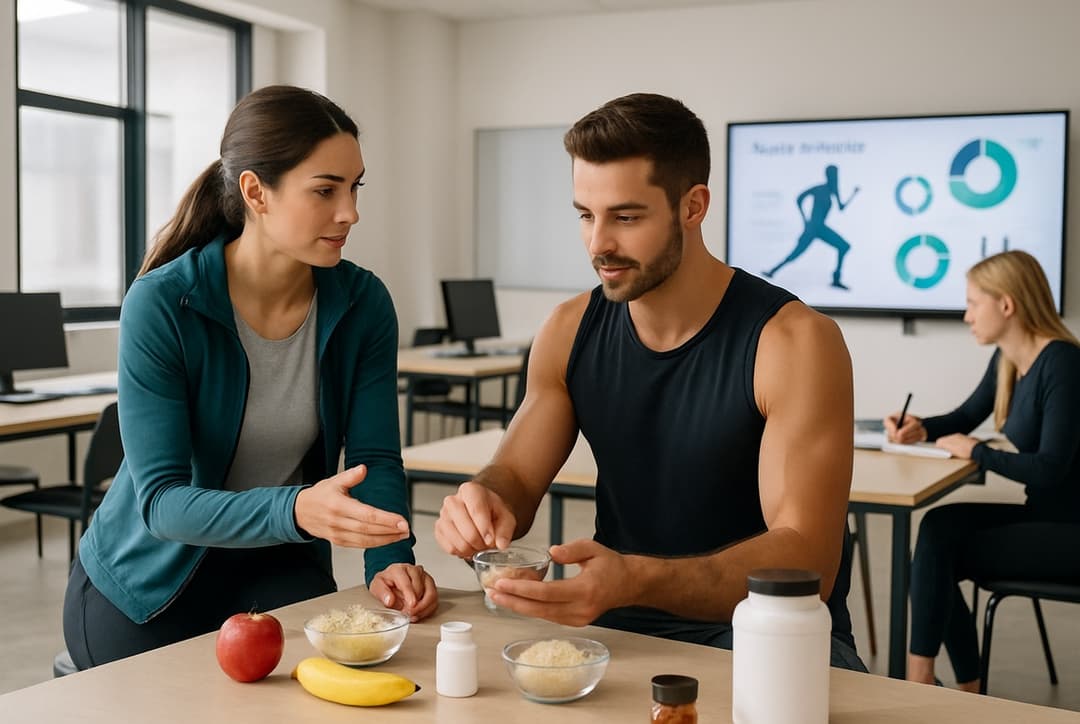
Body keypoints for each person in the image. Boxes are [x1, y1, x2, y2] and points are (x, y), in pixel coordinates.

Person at [434, 93, 865, 670]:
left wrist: (634, 578)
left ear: (693, 206)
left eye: (626, 217)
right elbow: (513, 475)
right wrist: (483, 501)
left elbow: (805, 563)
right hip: (618, 631)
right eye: (586, 215)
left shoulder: (793, 342)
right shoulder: (568, 330)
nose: (597, 244)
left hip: (767, 634)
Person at [63, 85, 438, 670]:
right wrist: (295, 511)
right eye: (325, 190)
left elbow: (375, 459)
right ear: (256, 192)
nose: (350, 212)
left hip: (274, 565)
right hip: (148, 582)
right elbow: (160, 503)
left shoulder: (363, 303)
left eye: (354, 186)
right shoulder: (163, 303)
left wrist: (389, 557)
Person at [885, 250, 1080, 692]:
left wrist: (978, 453)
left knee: (937, 553)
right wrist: (920, 428)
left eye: (974, 303)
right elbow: (965, 415)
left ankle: (927, 682)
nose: (966, 314)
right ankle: (952, 686)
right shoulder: (1009, 359)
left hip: (1070, 531)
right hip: (1043, 516)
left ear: (1007, 305)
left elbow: (1050, 468)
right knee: (937, 531)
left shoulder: (1063, 364)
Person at [762, 165, 859, 290]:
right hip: (813, 227)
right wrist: (805, 220)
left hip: (820, 228)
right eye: (832, 175)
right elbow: (799, 198)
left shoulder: (833, 191)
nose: (834, 177)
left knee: (844, 246)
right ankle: (772, 271)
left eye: (835, 175)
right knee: (796, 253)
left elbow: (841, 207)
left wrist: (853, 194)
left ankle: (836, 279)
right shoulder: (819, 188)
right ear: (828, 176)